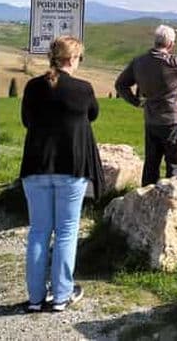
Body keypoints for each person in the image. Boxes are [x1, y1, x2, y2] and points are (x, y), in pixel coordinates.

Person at [19, 35, 104, 312]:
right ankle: (61, 295)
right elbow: (92, 115)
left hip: (36, 166)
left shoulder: (32, 87)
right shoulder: (83, 89)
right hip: (71, 167)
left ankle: (34, 298)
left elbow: (26, 121)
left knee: (39, 232)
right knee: (66, 232)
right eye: (79, 58)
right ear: (72, 59)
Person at [116, 25, 177, 186]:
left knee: (151, 166)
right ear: (171, 44)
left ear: (155, 41)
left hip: (151, 120)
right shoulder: (174, 62)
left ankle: (145, 201)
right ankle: (171, 201)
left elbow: (121, 85)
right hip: (174, 120)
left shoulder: (139, 62)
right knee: (175, 167)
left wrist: (136, 102)